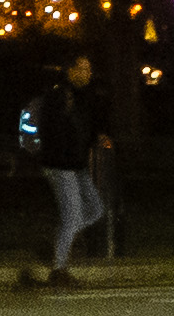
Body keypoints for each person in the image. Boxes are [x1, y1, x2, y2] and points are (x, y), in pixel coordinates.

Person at [15, 52, 106, 288]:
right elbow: (55, 131)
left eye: (89, 69)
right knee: (73, 215)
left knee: (96, 209)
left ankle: (55, 248)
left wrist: (98, 137)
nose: (88, 74)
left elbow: (87, 127)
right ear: (71, 70)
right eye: (84, 69)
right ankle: (59, 269)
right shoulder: (58, 96)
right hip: (60, 164)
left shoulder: (84, 96)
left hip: (76, 165)